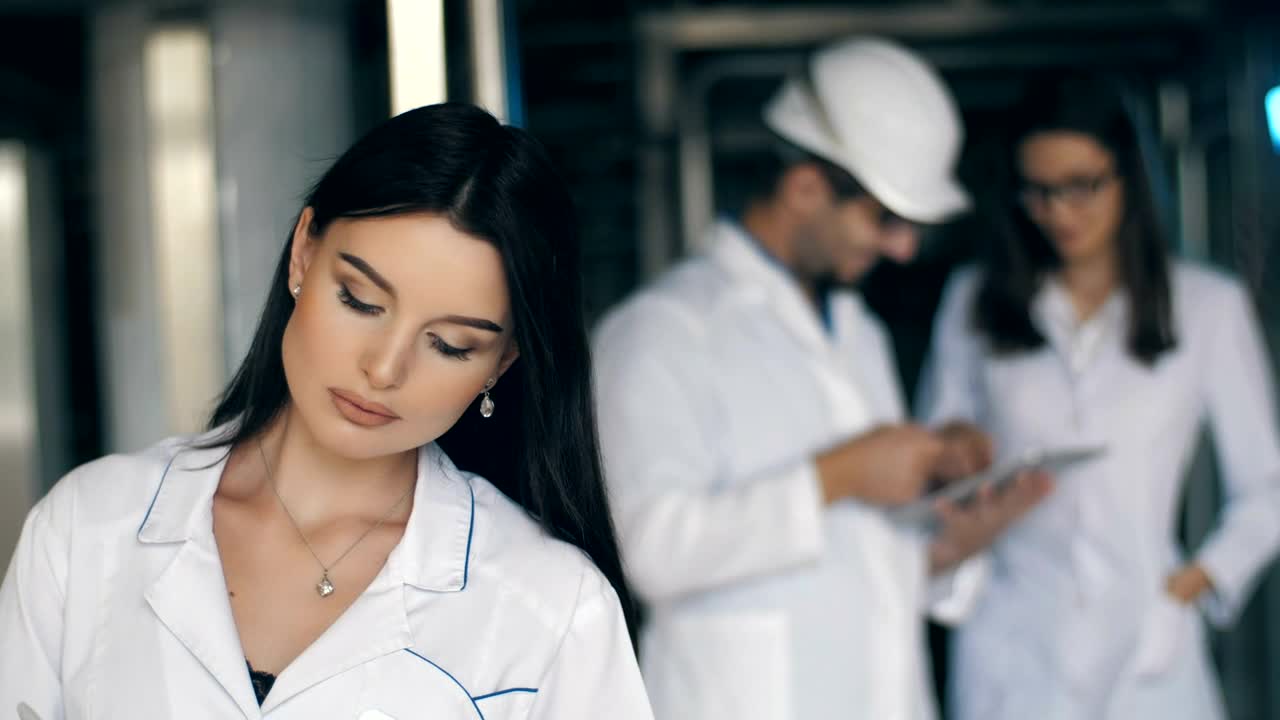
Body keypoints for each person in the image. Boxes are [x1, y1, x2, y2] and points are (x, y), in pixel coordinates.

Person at [0, 103, 654, 720]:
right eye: (362, 302)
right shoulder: (89, 527)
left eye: (451, 345)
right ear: (304, 253)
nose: (384, 368)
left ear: (501, 364)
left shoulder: (552, 606)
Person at [592, 37, 1050, 720]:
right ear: (805, 186)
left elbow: (863, 569)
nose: (902, 248)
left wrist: (956, 522)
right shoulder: (661, 331)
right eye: (885, 219)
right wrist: (838, 476)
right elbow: (648, 552)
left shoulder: (858, 333)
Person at [918, 72, 1280, 719]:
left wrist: (1193, 585)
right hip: (1013, 642)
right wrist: (956, 451)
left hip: (1148, 641)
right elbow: (932, 467)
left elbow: (1271, 488)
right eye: (1039, 191)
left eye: (1082, 186)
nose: (1060, 211)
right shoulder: (973, 302)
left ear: (1128, 178)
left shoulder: (1207, 306)